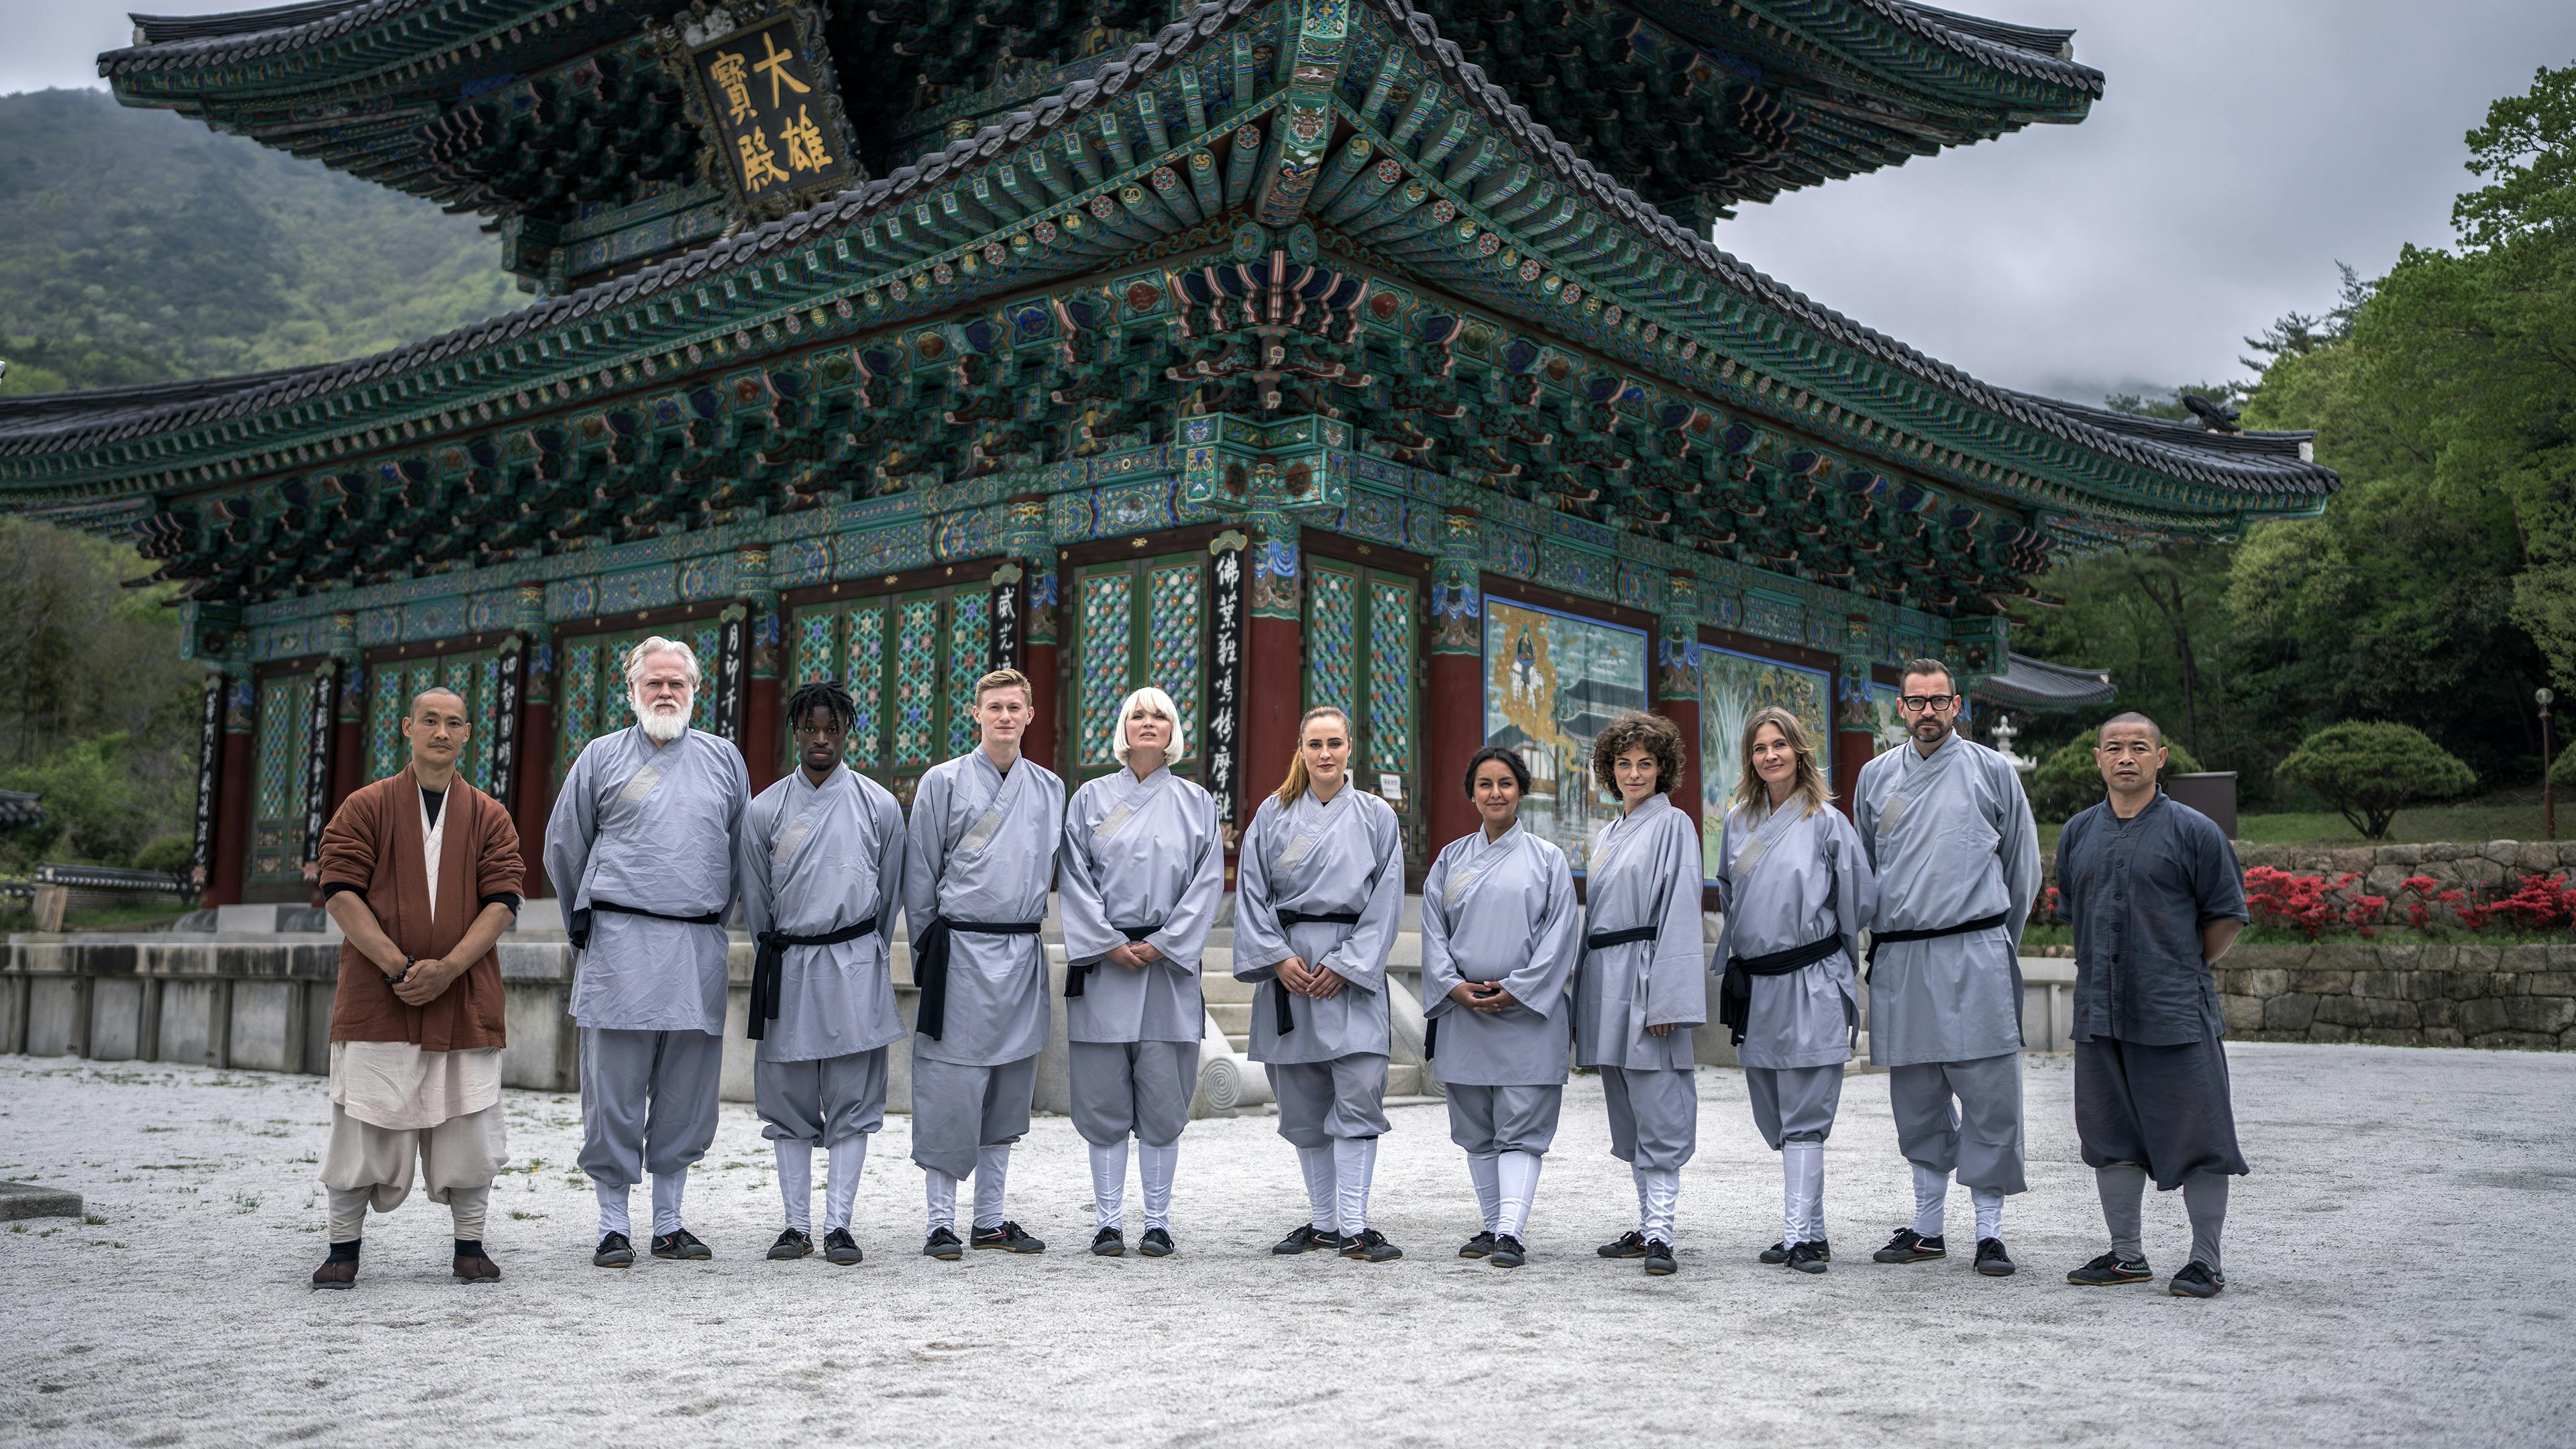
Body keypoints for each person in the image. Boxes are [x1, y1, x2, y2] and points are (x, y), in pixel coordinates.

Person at [309, 684, 525, 1288]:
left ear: (468, 734)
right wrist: (399, 968)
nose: (441, 733)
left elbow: (504, 898)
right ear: (406, 727)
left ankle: (470, 1245)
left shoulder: (488, 814)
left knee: (469, 1126)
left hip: (464, 993)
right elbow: (340, 888)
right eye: (429, 720)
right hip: (381, 994)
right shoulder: (366, 805)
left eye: (454, 722)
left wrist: (448, 969)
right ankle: (343, 1250)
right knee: (364, 1125)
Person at [543, 637, 749, 1268]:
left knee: (687, 1087)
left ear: (696, 690)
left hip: (694, 940)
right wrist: (586, 915)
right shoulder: (601, 759)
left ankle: (669, 1221)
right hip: (621, 942)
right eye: (654, 683)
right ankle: (612, 1224)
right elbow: (565, 846)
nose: (666, 693)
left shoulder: (723, 760)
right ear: (631, 690)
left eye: (677, 683)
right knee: (614, 1086)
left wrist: (716, 911)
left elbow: (742, 852)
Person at [1854, 658, 2040, 1279]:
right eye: (1915, 701)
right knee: (1917, 1097)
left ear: (1957, 705)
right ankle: (1928, 1228)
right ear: (1900, 708)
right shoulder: (1875, 778)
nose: (1927, 711)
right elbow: (1862, 869)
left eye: (1939, 701)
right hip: (1902, 956)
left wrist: (1994, 941)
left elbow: (2023, 868)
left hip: (1975, 950)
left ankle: (1990, 1232)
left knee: (1990, 1094)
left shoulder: (1993, 772)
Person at [2055, 712, 2250, 1299]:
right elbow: (2075, 913)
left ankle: (2205, 1261)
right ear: (2098, 759)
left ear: (2160, 759)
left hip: (2173, 1009)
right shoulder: (2078, 833)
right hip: (2099, 1009)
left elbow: (2225, 918)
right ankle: (2125, 1255)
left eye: (2139, 748)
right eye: (2113, 748)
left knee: (2200, 1134)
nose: (2126, 758)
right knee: (2107, 1134)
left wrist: (2180, 967)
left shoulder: (2195, 831)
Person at [736, 680, 907, 1267]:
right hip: (788, 962)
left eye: (832, 729)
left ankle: (839, 1224)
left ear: (846, 734)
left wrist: (861, 948)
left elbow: (889, 895)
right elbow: (757, 903)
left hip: (855, 958)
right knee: (787, 1097)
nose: (820, 740)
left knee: (852, 1096)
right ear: (795, 732)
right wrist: (784, 946)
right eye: (810, 728)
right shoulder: (765, 809)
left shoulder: (878, 805)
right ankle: (794, 1224)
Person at [903, 667, 1067, 1260]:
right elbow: (919, 877)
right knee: (950, 1085)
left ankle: (991, 1220)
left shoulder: (1050, 788)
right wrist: (929, 953)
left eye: (1014, 707)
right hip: (961, 950)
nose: (1003, 716)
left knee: (1006, 1087)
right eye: (993, 707)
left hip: (1021, 950)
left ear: (1030, 715)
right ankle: (940, 1222)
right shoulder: (942, 783)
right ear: (976, 715)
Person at [1234, 704, 1407, 1263]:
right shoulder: (1273, 812)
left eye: (1335, 743)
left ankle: (1356, 1225)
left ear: (1350, 748)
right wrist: (1277, 957)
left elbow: (1385, 904)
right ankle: (1325, 1222)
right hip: (1289, 969)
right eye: (1315, 745)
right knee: (1302, 1105)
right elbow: (1252, 893)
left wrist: (1349, 964)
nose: (1326, 754)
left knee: (1358, 1092)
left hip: (1349, 970)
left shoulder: (1377, 816)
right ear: (1301, 749)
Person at [1057, 686, 1224, 1258]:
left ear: (1174, 730)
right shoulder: (1088, 798)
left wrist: (1165, 942)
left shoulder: (1197, 802)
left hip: (1168, 971)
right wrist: (1106, 942)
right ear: (1123, 727)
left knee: (1162, 1102)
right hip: (1106, 968)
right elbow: (1073, 876)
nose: (1148, 723)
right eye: (1138, 715)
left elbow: (1207, 882)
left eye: (1160, 716)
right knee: (1103, 1104)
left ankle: (1158, 1221)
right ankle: (1107, 1221)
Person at [1712, 707, 1875, 1275]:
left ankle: (1799, 1237)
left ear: (1800, 751)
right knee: (1777, 1115)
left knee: (1806, 1112)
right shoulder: (1736, 821)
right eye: (1760, 748)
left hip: (1812, 979)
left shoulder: (1828, 822)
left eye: (1780, 745)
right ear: (1750, 759)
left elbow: (1856, 902)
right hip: (1759, 984)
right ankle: (1816, 1231)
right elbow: (1729, 895)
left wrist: (1830, 960)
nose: (1770, 756)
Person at [1419, 746, 1579, 1269]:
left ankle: (1511, 1230)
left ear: (1521, 791)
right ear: (1471, 793)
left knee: (1523, 1123)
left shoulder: (1548, 860)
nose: (1495, 793)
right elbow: (1433, 933)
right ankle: (1491, 1225)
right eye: (1484, 784)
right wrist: (1451, 985)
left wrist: (1521, 987)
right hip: (1465, 1008)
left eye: (1505, 783)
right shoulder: (1449, 860)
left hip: (1527, 1012)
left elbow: (1561, 936)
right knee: (1476, 1125)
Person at [1576, 710, 1708, 1277]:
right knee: (1627, 1108)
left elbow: (1681, 912)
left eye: (1645, 764)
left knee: (1660, 1105)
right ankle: (1643, 1219)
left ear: (1664, 769)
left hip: (1649, 973)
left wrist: (1668, 1000)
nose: (1633, 773)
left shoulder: (1674, 825)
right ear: (1610, 770)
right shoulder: (1608, 833)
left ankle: (1662, 1232)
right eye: (1624, 763)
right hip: (1608, 973)